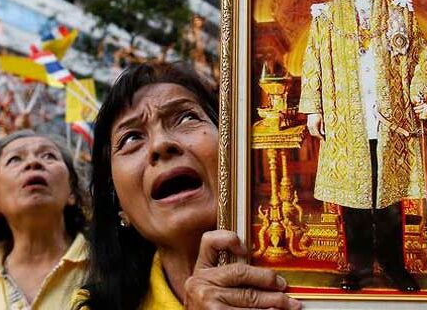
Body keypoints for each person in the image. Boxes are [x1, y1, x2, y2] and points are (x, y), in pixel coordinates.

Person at [74, 62, 301, 309]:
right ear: (118, 203)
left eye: (186, 117)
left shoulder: (318, 289)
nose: (161, 144)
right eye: (131, 138)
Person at [299, 0, 427, 292]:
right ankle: (358, 270)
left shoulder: (399, 12)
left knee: (389, 200)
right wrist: (314, 109)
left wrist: (420, 95)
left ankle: (394, 267)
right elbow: (312, 61)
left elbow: (420, 55)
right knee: (353, 201)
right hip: (347, 119)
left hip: (391, 119)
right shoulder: (327, 16)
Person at [0, 129, 89, 309]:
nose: (33, 162)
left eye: (49, 156)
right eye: (15, 159)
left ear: (72, 191)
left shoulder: (111, 269)